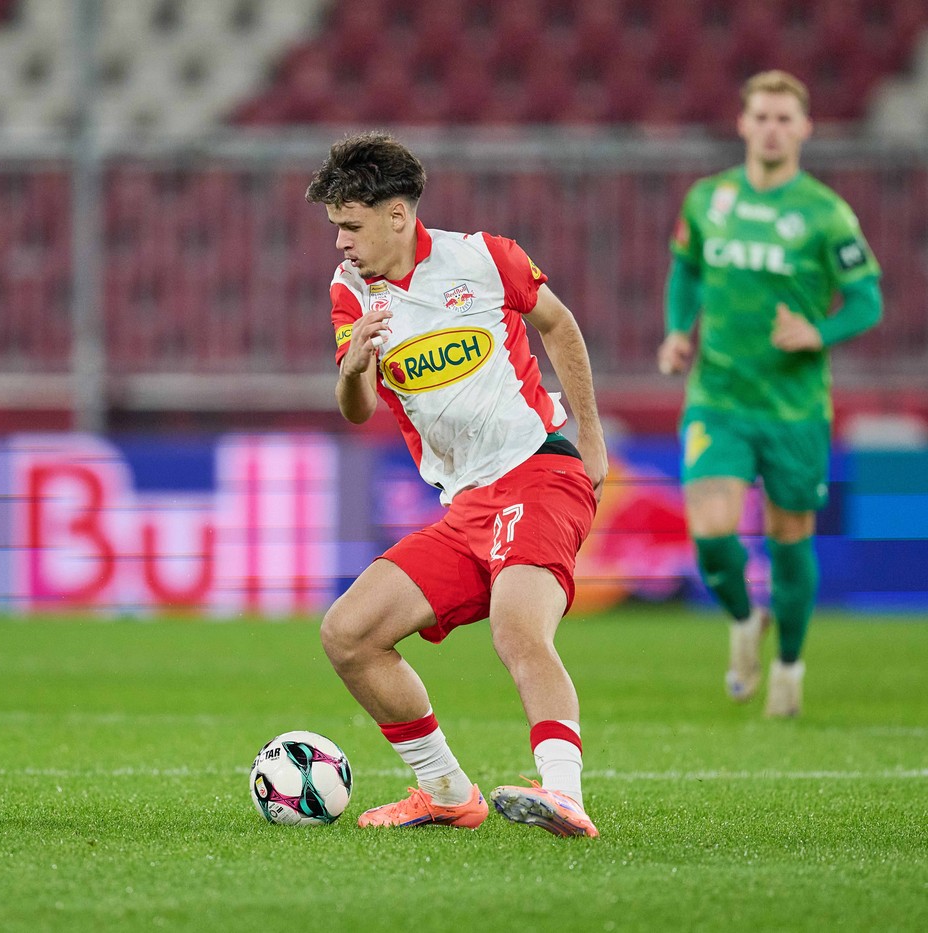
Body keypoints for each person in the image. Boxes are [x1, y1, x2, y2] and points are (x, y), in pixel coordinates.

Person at [306, 132, 608, 838]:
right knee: (349, 634)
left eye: (350, 225)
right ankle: (445, 790)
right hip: (466, 506)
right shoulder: (350, 292)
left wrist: (592, 437)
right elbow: (358, 409)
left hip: (539, 470)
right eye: (335, 227)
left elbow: (559, 325)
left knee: (517, 626)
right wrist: (352, 367)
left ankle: (564, 793)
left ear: (397, 215)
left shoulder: (484, 258)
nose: (341, 242)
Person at [657, 70, 883, 718]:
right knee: (710, 533)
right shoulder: (709, 199)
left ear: (805, 128)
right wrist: (678, 330)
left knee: (789, 538)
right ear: (743, 123)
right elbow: (686, 270)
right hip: (718, 395)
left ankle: (788, 665)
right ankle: (743, 618)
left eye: (785, 118)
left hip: (794, 407)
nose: (772, 129)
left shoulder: (826, 213)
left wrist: (819, 331)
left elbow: (867, 299)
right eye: (762, 117)